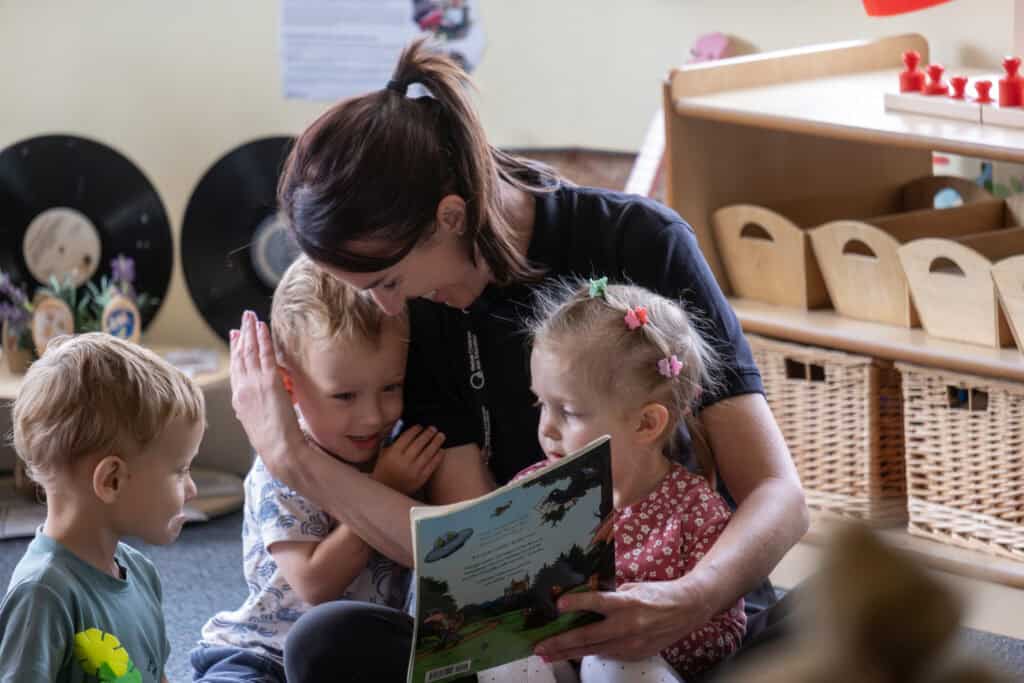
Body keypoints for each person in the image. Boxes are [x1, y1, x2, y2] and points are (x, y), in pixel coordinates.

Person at [229, 38, 807, 677]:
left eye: (389, 282)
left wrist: (686, 600)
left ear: (450, 217)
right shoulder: (422, 317)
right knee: (327, 640)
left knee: (865, 614)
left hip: (694, 621)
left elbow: (779, 496)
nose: (389, 309)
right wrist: (292, 459)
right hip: (538, 640)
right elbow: (470, 553)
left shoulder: (640, 241)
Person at [193, 256, 472, 682]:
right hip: (262, 654)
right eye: (344, 396)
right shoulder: (281, 465)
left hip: (349, 654)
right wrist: (385, 488)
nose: (372, 416)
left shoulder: (400, 444)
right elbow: (313, 583)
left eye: (390, 387)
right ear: (289, 386)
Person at [483, 280, 746, 683]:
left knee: (612, 662)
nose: (546, 429)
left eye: (568, 412)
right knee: (505, 658)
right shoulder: (530, 493)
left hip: (641, 669)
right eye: (541, 404)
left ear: (646, 423)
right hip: (552, 663)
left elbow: (726, 632)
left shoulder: (694, 510)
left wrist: (638, 635)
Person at [0, 333, 206, 683]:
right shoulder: (42, 595)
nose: (192, 489)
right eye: (180, 471)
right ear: (111, 480)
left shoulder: (140, 572)